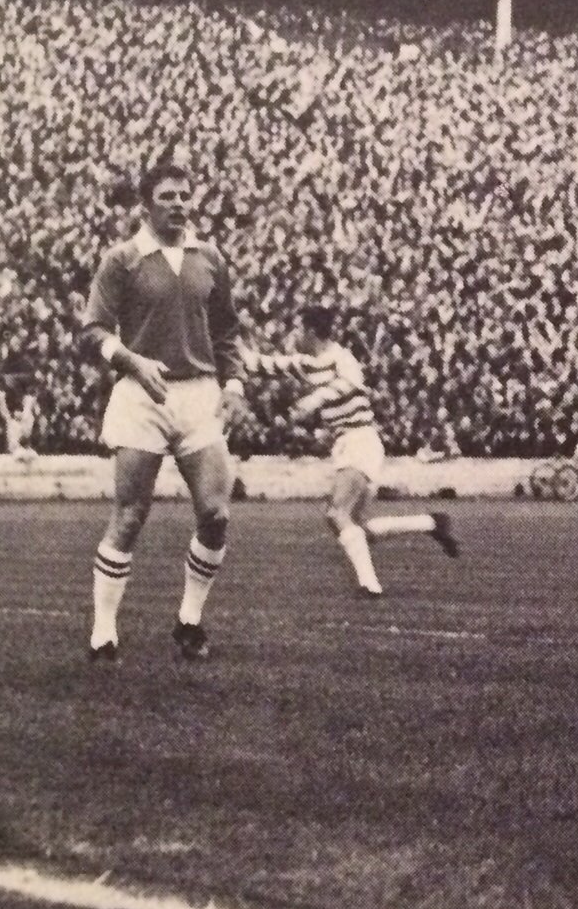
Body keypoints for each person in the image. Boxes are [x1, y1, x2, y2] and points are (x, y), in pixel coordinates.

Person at [80, 154, 246, 664]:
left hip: (198, 393)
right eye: (166, 197)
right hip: (141, 394)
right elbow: (93, 332)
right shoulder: (122, 259)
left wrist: (235, 383)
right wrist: (130, 361)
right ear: (146, 205)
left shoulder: (210, 257)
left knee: (216, 514)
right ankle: (104, 630)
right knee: (130, 516)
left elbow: (227, 331)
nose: (177, 205)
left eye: (184, 196)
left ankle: (189, 621)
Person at [245, 306, 458, 596]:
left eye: (297, 328)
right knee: (356, 528)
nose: (292, 335)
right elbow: (260, 364)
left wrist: (315, 399)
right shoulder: (306, 363)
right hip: (350, 443)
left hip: (360, 439)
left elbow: (351, 384)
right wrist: (224, 347)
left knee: (336, 513)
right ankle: (431, 522)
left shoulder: (341, 358)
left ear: (310, 331)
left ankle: (369, 586)